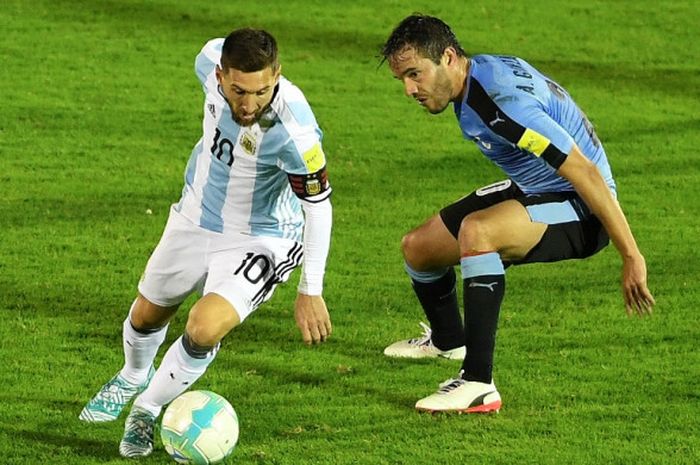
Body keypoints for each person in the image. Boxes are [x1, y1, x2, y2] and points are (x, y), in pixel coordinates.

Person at [380, 14, 654, 414]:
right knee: (418, 248)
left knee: (478, 232)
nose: (409, 89)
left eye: (414, 74)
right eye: (402, 79)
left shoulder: (500, 104)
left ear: (449, 58)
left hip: (582, 207)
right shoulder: (480, 75)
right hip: (538, 188)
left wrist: (631, 255)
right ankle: (448, 340)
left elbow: (584, 171)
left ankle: (478, 384)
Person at [79, 28, 333, 457]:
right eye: (238, 90)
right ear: (219, 75)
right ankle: (132, 374)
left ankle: (147, 407)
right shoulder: (207, 59)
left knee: (203, 325)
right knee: (146, 317)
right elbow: (214, 45)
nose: (250, 104)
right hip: (195, 217)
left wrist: (311, 288)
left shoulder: (296, 132)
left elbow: (319, 206)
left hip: (261, 237)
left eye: (262, 90)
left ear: (277, 76)